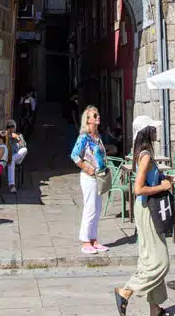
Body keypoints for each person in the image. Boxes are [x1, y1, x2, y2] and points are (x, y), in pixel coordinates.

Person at [113, 121, 172, 316]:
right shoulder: (145, 156)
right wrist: (162, 187)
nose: (157, 132)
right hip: (147, 209)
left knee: (149, 257)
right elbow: (138, 189)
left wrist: (162, 180)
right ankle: (126, 290)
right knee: (160, 261)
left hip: (145, 208)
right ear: (147, 132)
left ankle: (155, 309)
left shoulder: (143, 154)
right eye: (154, 129)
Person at [72, 104, 107, 255]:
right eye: (94, 116)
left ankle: (94, 239)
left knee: (97, 208)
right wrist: (86, 167)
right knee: (90, 208)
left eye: (97, 114)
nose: (97, 117)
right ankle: (85, 240)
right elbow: (74, 155)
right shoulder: (84, 138)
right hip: (89, 177)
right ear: (87, 121)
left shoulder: (97, 137)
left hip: (99, 177)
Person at [1, 121, 29, 191]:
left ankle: (12, 159)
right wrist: (7, 138)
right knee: (11, 160)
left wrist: (17, 138)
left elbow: (24, 145)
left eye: (12, 126)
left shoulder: (19, 135)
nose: (10, 128)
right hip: (9, 158)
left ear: (15, 127)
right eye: (8, 127)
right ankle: (12, 185)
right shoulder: (4, 136)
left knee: (25, 149)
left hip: (18, 158)